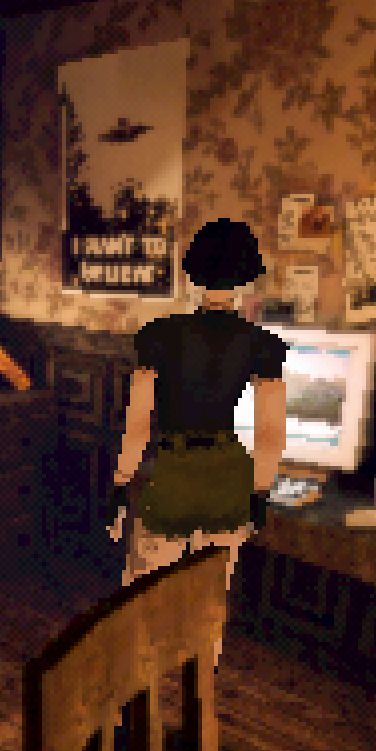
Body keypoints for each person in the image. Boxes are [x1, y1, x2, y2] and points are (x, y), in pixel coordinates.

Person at [110, 216, 290, 648]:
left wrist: (120, 485)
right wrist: (259, 495)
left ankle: (139, 675)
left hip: (176, 472)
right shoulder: (263, 345)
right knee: (210, 599)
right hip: (228, 477)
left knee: (143, 597)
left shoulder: (157, 337)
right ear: (246, 277)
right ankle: (201, 681)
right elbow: (270, 435)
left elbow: (137, 426)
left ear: (192, 271)